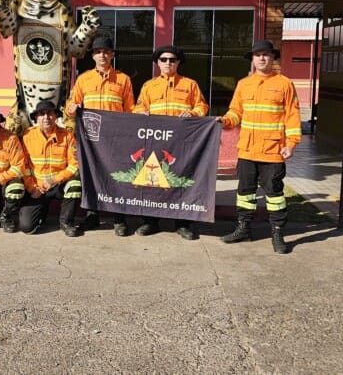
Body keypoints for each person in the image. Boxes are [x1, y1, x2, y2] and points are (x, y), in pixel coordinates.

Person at [219, 40, 301, 254]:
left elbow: (292, 116)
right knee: (244, 192)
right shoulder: (243, 84)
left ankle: (277, 232)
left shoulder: (285, 84)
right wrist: (225, 121)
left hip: (273, 151)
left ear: (273, 58)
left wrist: (291, 144)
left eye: (266, 54)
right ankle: (244, 228)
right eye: (257, 55)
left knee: (274, 194)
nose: (262, 58)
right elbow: (235, 112)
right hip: (247, 150)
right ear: (252, 59)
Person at [133, 44, 209, 240]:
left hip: (181, 142)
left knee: (180, 181)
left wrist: (193, 112)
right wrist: (140, 112)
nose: (168, 63)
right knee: (152, 181)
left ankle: (182, 224)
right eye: (164, 59)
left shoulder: (190, 84)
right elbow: (137, 107)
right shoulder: (149, 86)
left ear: (178, 63)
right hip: (156, 142)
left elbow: (203, 106)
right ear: (158, 63)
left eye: (172, 60)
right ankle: (150, 221)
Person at [65, 36, 135, 236]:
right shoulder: (83, 79)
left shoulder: (123, 79)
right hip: (91, 140)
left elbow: (130, 109)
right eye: (97, 52)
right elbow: (70, 107)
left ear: (112, 54)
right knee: (92, 176)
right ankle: (92, 216)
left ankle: (119, 218)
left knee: (117, 177)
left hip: (115, 139)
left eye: (106, 51)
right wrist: (71, 108)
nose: (102, 55)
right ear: (93, 55)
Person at [21, 101, 82, 237]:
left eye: (50, 113)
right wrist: (32, 188)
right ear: (36, 118)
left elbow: (75, 164)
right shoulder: (27, 136)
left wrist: (55, 179)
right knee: (27, 228)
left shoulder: (67, 136)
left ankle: (66, 222)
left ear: (56, 116)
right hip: (37, 187)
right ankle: (41, 212)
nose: (46, 117)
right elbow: (23, 166)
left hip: (58, 185)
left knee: (75, 184)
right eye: (42, 114)